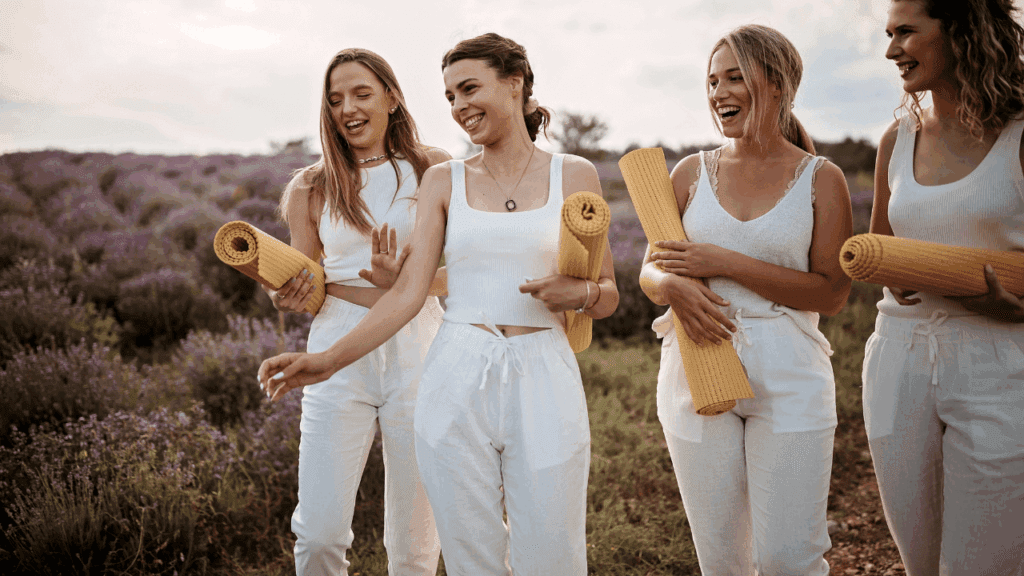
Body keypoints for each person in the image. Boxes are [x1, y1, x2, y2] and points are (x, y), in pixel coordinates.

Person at [260, 32, 619, 575]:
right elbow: (367, 285)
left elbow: (598, 289)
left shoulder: (547, 173)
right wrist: (312, 333)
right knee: (394, 541)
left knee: (503, 546)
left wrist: (584, 293)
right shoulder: (389, 182)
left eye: (469, 88)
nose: (458, 106)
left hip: (489, 355)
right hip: (407, 350)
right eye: (450, 95)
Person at [639, 24, 853, 575]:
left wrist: (725, 262)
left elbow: (832, 293)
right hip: (695, 364)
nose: (719, 93)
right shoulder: (690, 172)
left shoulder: (821, 179)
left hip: (790, 370)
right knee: (722, 561)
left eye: (736, 77)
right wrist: (670, 289)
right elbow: (650, 268)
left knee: (790, 557)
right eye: (712, 81)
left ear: (777, 84)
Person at [262, 47, 451, 576]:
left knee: (414, 544)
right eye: (336, 98)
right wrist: (285, 292)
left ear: (392, 98)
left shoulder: (435, 168)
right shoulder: (311, 185)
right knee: (318, 534)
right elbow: (306, 276)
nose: (348, 108)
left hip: (423, 341)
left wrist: (410, 282)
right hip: (336, 343)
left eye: (362, 93)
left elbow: (463, 273)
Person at [865, 1, 1024, 573]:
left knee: (985, 563)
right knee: (921, 563)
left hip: (1002, 364)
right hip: (898, 362)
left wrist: (1015, 306)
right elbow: (881, 247)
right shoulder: (897, 139)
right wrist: (893, 267)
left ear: (961, 30)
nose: (891, 50)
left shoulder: (1021, 133)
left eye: (906, 32)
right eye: (889, 34)